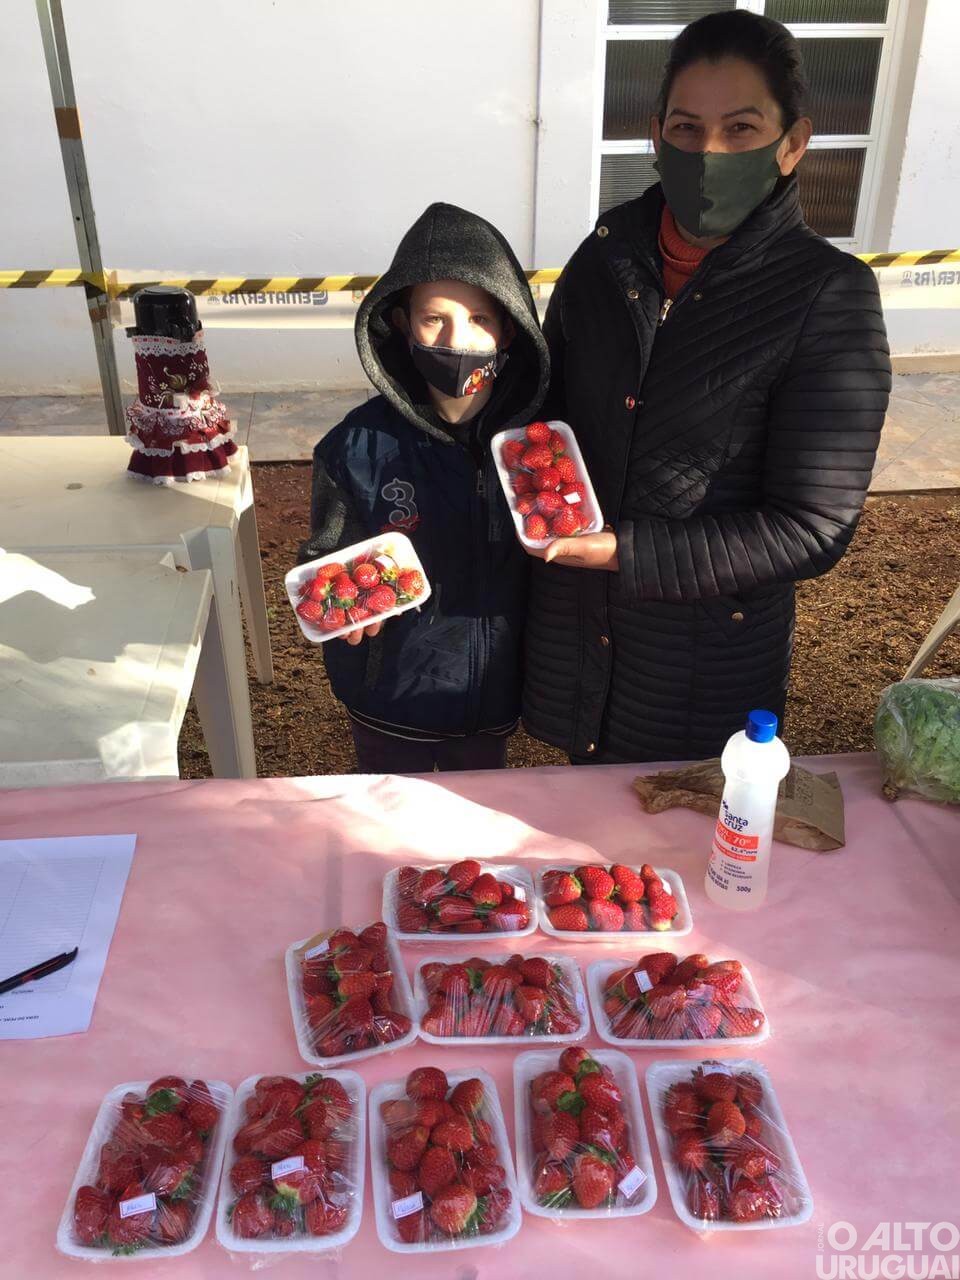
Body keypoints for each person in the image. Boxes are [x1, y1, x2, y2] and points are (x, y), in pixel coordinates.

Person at [522, 9, 891, 764]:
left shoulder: (826, 294)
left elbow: (811, 526)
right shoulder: (606, 256)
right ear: (656, 135)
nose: (709, 152)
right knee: (583, 804)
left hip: (701, 655)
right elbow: (543, 407)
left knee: (679, 817)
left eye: (741, 129)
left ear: (792, 144)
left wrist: (625, 553)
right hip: (577, 626)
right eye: (687, 128)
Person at [300, 202, 549, 773]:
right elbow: (324, 558)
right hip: (387, 698)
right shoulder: (353, 447)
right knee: (388, 813)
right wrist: (343, 604)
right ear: (400, 323)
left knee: (477, 812)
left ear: (509, 327)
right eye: (434, 318)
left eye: (479, 318)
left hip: (493, 692)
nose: (457, 339)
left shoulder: (539, 448)